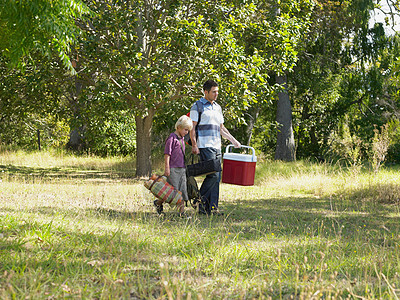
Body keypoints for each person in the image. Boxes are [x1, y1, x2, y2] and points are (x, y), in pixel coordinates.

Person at [189, 80, 241, 215]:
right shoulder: (197, 106)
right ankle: (199, 200)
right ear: (205, 92)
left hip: (217, 146)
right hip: (204, 146)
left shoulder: (218, 107)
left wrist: (233, 140)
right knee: (213, 175)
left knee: (217, 178)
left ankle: (210, 208)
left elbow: (221, 129)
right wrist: (194, 145)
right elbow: (192, 128)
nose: (216, 94)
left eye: (217, 91)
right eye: (213, 92)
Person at [154, 115, 193, 217]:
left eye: (188, 130)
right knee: (172, 192)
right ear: (179, 127)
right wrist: (167, 168)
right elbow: (167, 154)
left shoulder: (182, 138)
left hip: (182, 169)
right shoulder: (172, 138)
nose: (187, 132)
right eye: (185, 129)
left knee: (182, 191)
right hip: (173, 169)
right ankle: (158, 203)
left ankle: (182, 213)